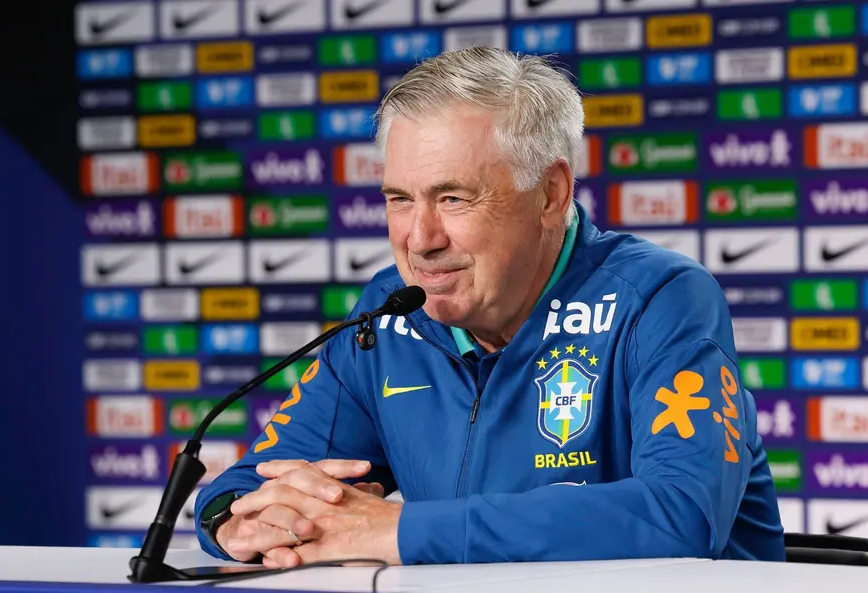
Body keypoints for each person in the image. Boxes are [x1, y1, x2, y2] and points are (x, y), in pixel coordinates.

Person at [193, 47, 786, 568]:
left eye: (453, 197)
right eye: (400, 199)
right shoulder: (387, 313)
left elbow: (683, 512)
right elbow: (259, 479)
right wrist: (239, 523)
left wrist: (399, 530)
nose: (420, 239)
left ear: (551, 194)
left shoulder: (660, 298)